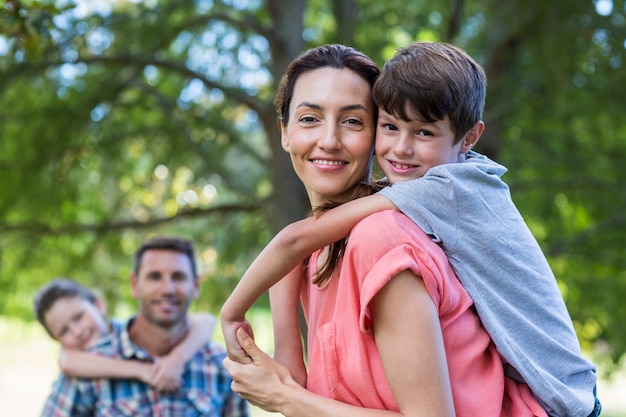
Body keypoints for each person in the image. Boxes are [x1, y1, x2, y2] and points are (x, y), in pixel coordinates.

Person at [223, 41, 602, 417]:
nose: (329, 140)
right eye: (309, 118)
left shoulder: (403, 219)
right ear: (284, 131)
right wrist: (288, 349)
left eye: (353, 121)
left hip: (557, 398)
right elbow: (300, 241)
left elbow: (294, 240)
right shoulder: (338, 239)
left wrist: (282, 391)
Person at [41, 236, 249, 417]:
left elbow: (207, 320)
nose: (167, 289)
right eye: (154, 276)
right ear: (134, 284)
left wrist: (177, 358)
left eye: (178, 277)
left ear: (195, 286)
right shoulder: (89, 366)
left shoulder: (220, 366)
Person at [34, 277, 217, 392]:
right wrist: (142, 371)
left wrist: (176, 359)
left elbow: (206, 321)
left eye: (79, 317)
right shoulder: (75, 364)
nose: (77, 331)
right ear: (56, 339)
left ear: (99, 304)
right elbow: (67, 363)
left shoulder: (130, 332)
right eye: (64, 331)